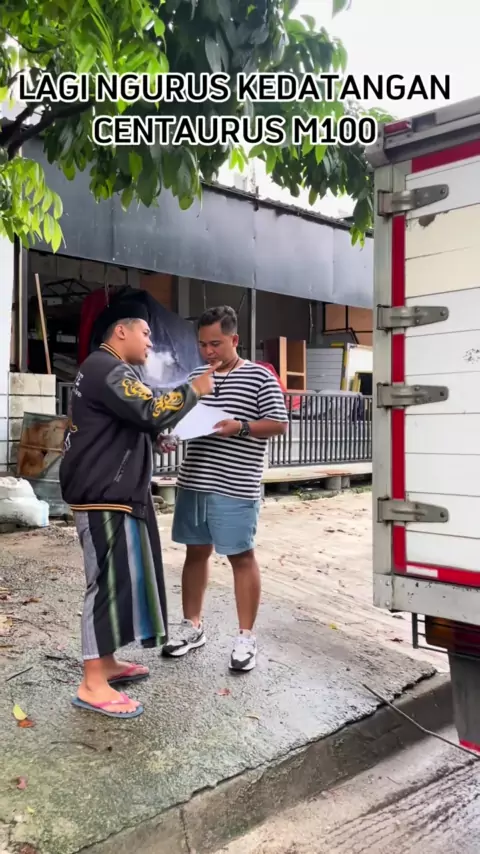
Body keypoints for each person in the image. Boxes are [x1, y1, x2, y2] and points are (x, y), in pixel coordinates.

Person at [59, 299, 217, 719]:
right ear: (121, 331)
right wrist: (194, 390)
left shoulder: (104, 369)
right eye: (145, 333)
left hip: (111, 492)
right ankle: (92, 682)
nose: (150, 342)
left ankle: (106, 662)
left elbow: (128, 422)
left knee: (121, 583)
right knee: (106, 585)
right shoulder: (108, 368)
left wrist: (152, 437)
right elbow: (148, 410)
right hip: (103, 494)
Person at [162, 305, 289, 672]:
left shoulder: (259, 377)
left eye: (215, 344)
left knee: (241, 557)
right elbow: (181, 418)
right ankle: (192, 626)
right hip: (194, 481)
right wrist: (171, 436)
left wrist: (241, 427)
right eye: (202, 344)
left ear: (235, 339)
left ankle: (246, 637)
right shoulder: (196, 377)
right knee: (195, 552)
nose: (208, 352)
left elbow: (279, 423)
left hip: (235, 484)